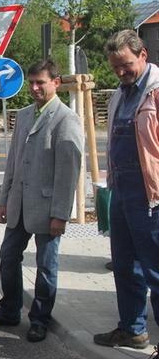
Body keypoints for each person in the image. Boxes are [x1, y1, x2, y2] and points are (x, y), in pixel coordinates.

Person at [0, 60, 83, 342]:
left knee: (46, 267)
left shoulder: (66, 119)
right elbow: (13, 162)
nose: (34, 88)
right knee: (8, 257)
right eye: (32, 82)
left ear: (56, 83)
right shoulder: (24, 115)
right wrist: (4, 200)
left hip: (48, 210)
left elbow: (68, 173)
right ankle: (10, 310)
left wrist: (61, 213)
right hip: (19, 205)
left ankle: (39, 319)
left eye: (41, 83)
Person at [93, 30, 159, 350]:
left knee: (156, 270)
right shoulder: (120, 92)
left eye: (126, 65)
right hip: (121, 190)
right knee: (124, 265)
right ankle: (133, 329)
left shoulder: (156, 92)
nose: (120, 72)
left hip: (150, 197)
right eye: (115, 67)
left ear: (143, 54)